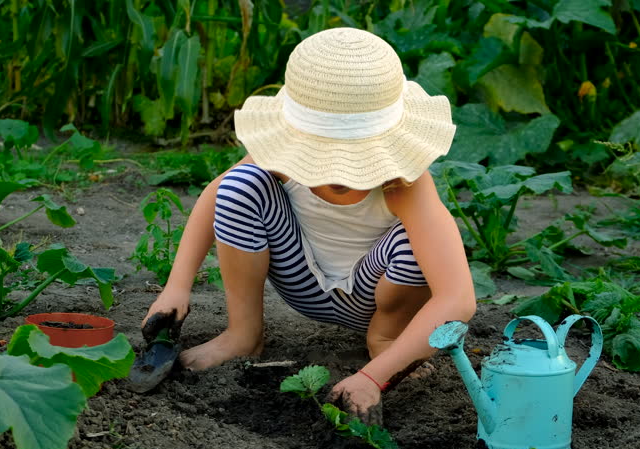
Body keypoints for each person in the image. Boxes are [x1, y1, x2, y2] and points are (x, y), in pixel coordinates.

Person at [143, 27, 475, 424]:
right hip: (303, 281)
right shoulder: (282, 158)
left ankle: (387, 342)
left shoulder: (403, 183)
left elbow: (458, 298)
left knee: (418, 245)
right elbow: (212, 199)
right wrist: (176, 287)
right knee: (238, 187)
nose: (337, 173)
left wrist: (373, 379)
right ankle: (244, 333)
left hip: (377, 300)